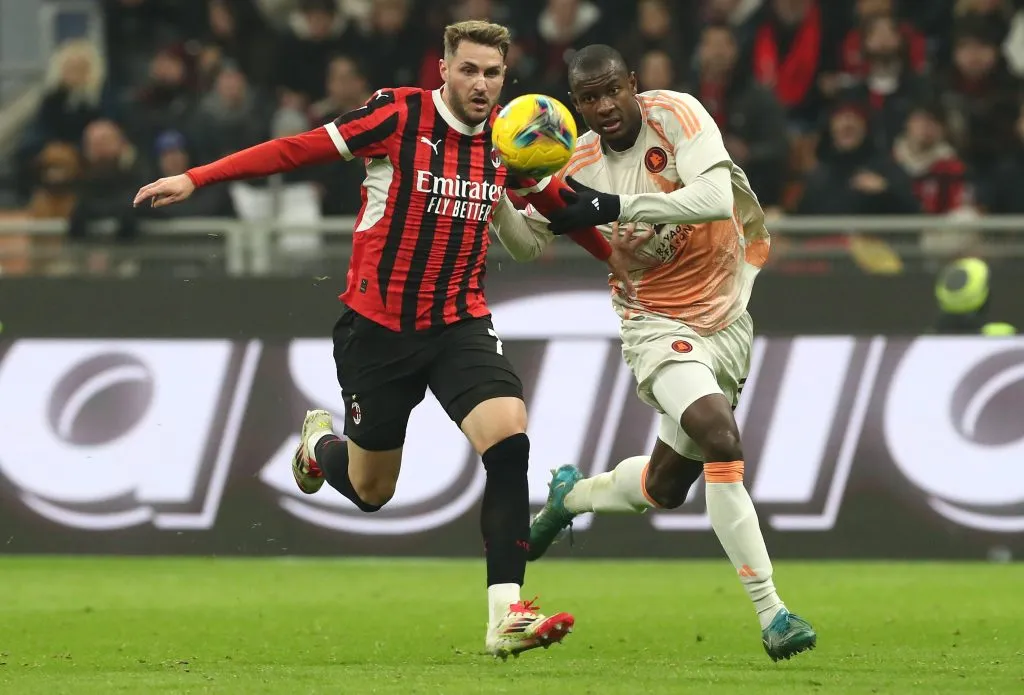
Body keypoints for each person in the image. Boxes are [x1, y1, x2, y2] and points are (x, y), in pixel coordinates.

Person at [133, 20, 630, 659]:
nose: (481, 85)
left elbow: (555, 198)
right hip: (379, 330)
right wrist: (199, 178)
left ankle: (506, 614)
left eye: (493, 73)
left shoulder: (508, 140)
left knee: (508, 438)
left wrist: (614, 258)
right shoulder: (397, 115)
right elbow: (298, 148)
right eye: (469, 70)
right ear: (445, 69)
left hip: (459, 322)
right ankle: (320, 447)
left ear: (506, 78)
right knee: (372, 491)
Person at [489, 44, 817, 662]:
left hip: (726, 313)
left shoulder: (679, 116)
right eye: (589, 97)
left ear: (633, 84)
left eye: (613, 89)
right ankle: (773, 614)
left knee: (667, 486)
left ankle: (571, 497)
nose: (605, 105)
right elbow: (528, 245)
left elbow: (714, 199)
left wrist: (612, 207)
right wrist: (500, 199)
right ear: (577, 105)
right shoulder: (573, 160)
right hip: (653, 319)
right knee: (720, 436)